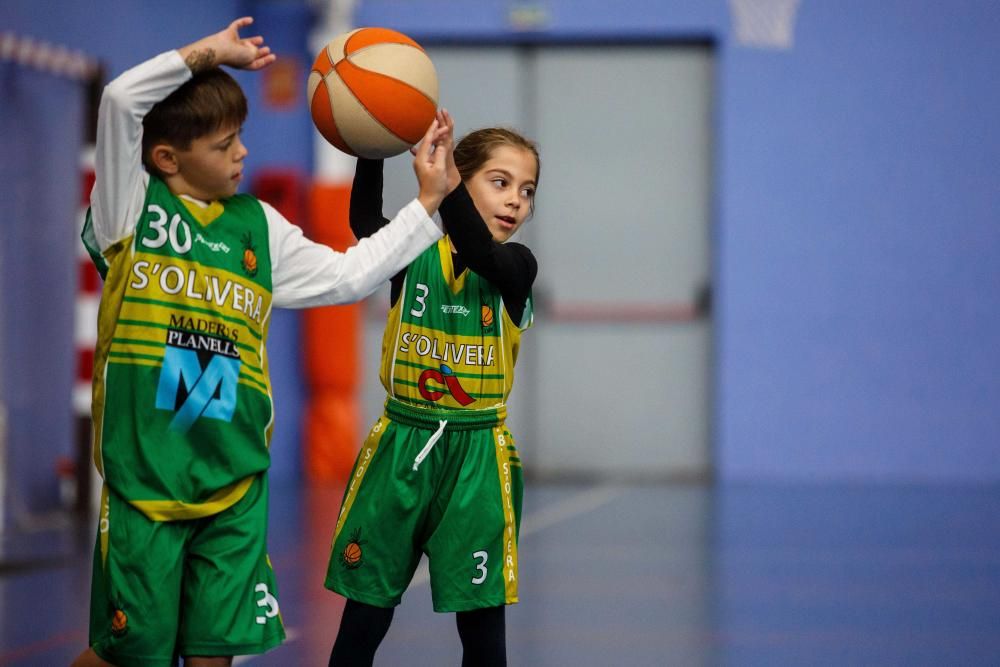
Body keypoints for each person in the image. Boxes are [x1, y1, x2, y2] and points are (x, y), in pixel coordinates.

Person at [72, 17, 452, 667]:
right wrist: (207, 55)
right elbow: (119, 101)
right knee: (129, 656)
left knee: (215, 655)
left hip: (236, 483)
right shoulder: (129, 213)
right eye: (225, 145)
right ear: (168, 158)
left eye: (241, 137)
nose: (242, 153)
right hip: (147, 484)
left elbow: (347, 273)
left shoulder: (260, 228)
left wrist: (425, 203)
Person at [324, 112, 540, 666]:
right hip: (401, 443)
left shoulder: (516, 266)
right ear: (463, 182)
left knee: (482, 629)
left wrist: (438, 186)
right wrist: (370, 140)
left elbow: (478, 249)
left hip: (477, 459)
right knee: (363, 618)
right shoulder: (413, 255)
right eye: (500, 182)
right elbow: (362, 223)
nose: (516, 200)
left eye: (527, 190)